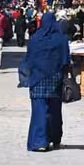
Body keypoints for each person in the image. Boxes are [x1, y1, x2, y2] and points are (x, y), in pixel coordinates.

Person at [23, 13, 71, 152]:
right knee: (55, 110)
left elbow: (29, 59)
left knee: (39, 110)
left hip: (37, 79)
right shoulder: (61, 39)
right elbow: (65, 59)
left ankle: (39, 141)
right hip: (55, 78)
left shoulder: (35, 39)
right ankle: (54, 138)